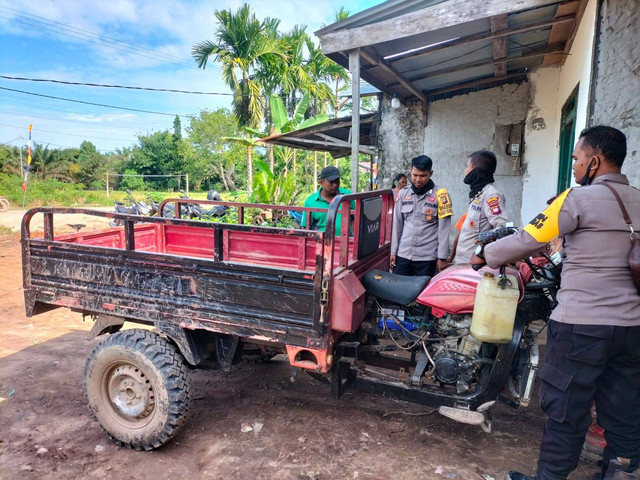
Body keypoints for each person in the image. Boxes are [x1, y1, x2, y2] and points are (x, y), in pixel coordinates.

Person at [471, 126, 640, 480]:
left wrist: (485, 253)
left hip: (582, 326)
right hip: (632, 328)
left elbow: (527, 240)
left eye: (577, 159)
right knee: (625, 407)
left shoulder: (576, 199)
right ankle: (621, 473)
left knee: (567, 408)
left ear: (594, 162)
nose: (574, 167)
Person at [390, 155, 452, 277]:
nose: (418, 179)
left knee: (423, 292)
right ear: (411, 172)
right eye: (415, 175)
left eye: (423, 176)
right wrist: (393, 251)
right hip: (404, 254)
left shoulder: (442, 196)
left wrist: (442, 257)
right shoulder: (403, 194)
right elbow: (397, 224)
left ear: (431, 173)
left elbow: (444, 230)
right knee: (399, 290)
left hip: (427, 257)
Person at [448, 150, 509, 265]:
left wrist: (487, 238)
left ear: (476, 171)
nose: (465, 171)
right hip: (462, 261)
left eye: (467, 167)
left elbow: (502, 227)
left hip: (475, 264)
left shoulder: (491, 196)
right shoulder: (478, 195)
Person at [301, 165, 351, 235]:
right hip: (324, 243)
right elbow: (306, 228)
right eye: (331, 182)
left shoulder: (347, 196)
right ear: (321, 182)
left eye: (337, 181)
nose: (335, 185)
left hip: (346, 242)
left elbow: (355, 219)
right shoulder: (310, 202)